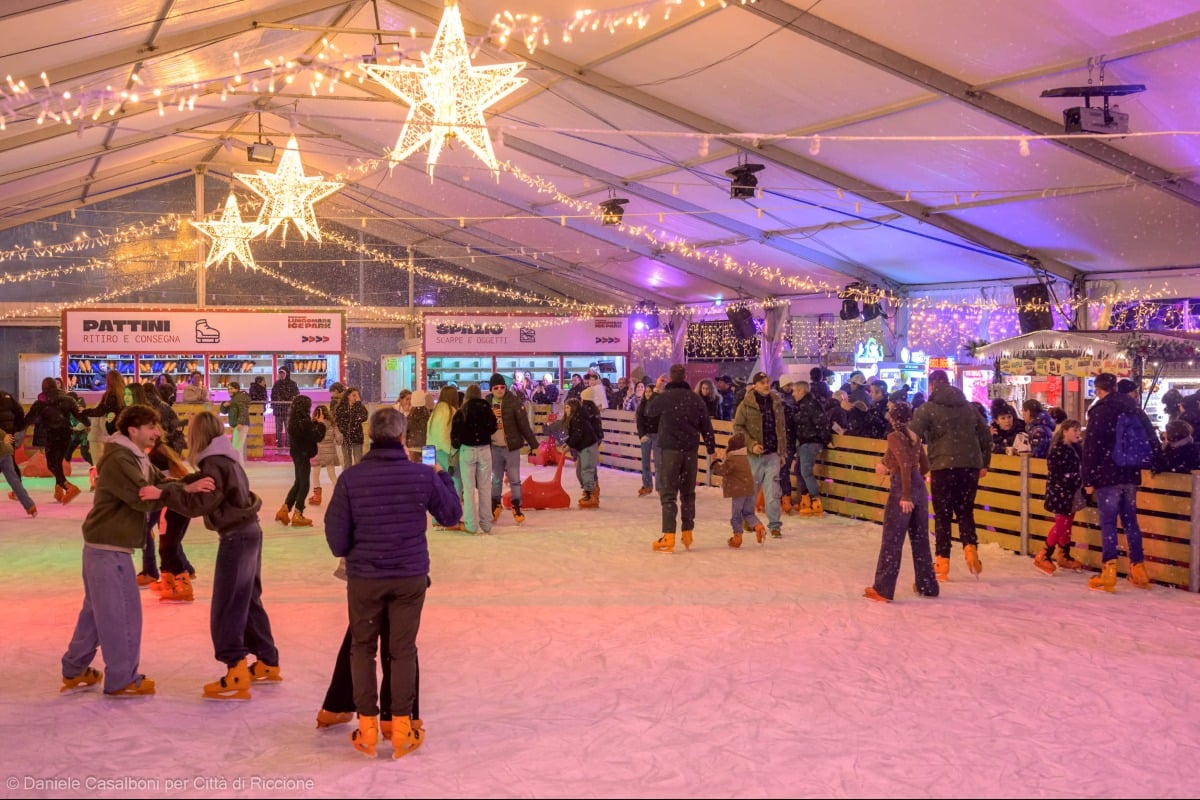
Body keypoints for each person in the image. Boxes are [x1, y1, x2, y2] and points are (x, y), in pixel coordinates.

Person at [324, 406, 462, 759]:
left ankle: (367, 725)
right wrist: (441, 476)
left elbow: (337, 540)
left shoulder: (351, 479)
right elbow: (451, 515)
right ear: (403, 438)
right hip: (408, 576)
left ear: (370, 436)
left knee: (363, 648)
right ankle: (401, 725)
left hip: (366, 578)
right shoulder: (421, 476)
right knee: (402, 651)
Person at [60, 404, 214, 697]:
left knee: (95, 614)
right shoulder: (120, 459)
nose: (158, 432)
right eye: (151, 427)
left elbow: (159, 484)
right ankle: (122, 678)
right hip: (107, 549)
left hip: (107, 547)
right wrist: (181, 492)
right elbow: (142, 498)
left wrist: (189, 484)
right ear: (133, 430)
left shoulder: (136, 457)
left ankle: (73, 669)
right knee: (123, 615)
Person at [147, 411, 279, 700]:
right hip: (250, 532)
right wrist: (171, 486)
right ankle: (268, 660)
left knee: (228, 602)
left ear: (198, 436)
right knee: (248, 598)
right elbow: (198, 485)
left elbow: (200, 504)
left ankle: (235, 668)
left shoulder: (214, 463)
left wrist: (164, 495)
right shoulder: (226, 457)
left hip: (237, 537)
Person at [910, 369, 993, 581]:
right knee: (965, 511)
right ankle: (970, 548)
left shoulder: (927, 409)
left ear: (931, 385)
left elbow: (913, 436)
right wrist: (984, 463)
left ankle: (942, 561)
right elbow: (985, 435)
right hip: (969, 467)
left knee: (943, 514)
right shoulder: (969, 408)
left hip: (942, 467)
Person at [1082, 372, 1160, 592]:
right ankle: (1139, 568)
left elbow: (1091, 448)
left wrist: (1087, 478)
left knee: (1108, 523)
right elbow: (1150, 436)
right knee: (1130, 521)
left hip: (1108, 475)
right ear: (1115, 387)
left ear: (1098, 390)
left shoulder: (1100, 411)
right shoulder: (1133, 407)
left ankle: (1109, 571)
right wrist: (1154, 461)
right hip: (1130, 473)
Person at [864, 402, 940, 603]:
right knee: (920, 539)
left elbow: (905, 464)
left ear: (892, 418)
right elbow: (923, 465)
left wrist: (905, 494)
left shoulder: (894, 437)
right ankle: (927, 585)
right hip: (919, 488)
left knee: (892, 540)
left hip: (902, 489)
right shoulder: (915, 436)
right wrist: (912, 481)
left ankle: (883, 588)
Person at [645, 364, 716, 553]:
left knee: (668, 494)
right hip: (690, 452)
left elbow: (649, 411)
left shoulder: (665, 398)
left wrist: (657, 389)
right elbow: (706, 425)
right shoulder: (695, 398)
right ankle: (687, 532)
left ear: (670, 376)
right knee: (688, 493)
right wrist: (711, 448)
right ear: (685, 377)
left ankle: (668, 535)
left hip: (670, 451)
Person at [733, 371, 788, 540]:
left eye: (767, 382)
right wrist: (751, 444)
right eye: (762, 382)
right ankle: (748, 519)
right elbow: (738, 427)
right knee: (752, 490)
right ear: (755, 385)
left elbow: (781, 429)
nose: (766, 385)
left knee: (773, 491)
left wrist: (782, 452)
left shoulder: (776, 403)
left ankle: (775, 525)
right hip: (754, 455)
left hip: (772, 454)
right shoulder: (746, 404)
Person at [488, 373, 540, 525]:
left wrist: (534, 445)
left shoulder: (513, 402)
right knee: (496, 479)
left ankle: (516, 505)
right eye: (496, 388)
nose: (499, 390)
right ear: (491, 389)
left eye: (502, 387)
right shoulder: (487, 403)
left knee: (514, 479)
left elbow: (524, 425)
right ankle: (495, 504)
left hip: (511, 448)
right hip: (494, 447)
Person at [1036, 419, 1085, 575]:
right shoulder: (1058, 450)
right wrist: (1079, 480)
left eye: (1079, 430)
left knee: (1067, 523)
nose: (1078, 433)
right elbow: (1058, 473)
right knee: (1061, 524)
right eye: (1074, 430)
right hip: (1060, 492)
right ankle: (1044, 554)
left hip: (1070, 493)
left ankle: (1063, 554)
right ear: (1065, 431)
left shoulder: (1076, 448)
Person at [25, 377, 82, 505]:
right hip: (64, 434)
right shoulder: (65, 400)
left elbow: (32, 419)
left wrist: (18, 427)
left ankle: (68, 487)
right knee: (56, 463)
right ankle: (59, 490)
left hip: (53, 434)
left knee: (53, 464)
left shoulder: (43, 402)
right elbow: (75, 414)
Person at [451, 384, 497, 534]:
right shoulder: (487, 409)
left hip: (467, 450)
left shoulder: (462, 411)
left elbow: (455, 435)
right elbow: (493, 428)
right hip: (484, 449)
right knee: (485, 487)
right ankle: (486, 523)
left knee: (468, 489)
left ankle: (471, 524)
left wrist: (459, 443)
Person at [276, 395, 323, 528]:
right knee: (304, 485)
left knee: (298, 483)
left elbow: (305, 434)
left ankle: (284, 509)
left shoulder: (293, 420)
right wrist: (319, 424)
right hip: (303, 455)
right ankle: (298, 513)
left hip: (297, 454)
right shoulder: (304, 421)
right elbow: (316, 437)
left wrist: (313, 423)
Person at [790, 380, 831, 516]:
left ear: (802, 391)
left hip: (810, 442)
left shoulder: (810, 404)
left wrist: (825, 439)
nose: (793, 394)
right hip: (804, 442)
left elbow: (821, 422)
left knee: (805, 472)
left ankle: (815, 501)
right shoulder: (802, 404)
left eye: (795, 391)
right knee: (799, 470)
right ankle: (806, 498)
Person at [713, 432, 760, 548]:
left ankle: (737, 537)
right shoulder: (744, 457)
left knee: (736, 515)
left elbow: (722, 470)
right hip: (749, 489)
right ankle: (759, 527)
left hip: (739, 491)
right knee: (748, 513)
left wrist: (714, 462)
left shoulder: (733, 458)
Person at [1, 388, 35, 517]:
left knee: (13, 476)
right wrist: (16, 428)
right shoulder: (7, 396)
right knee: (13, 478)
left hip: (3, 442)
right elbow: (20, 411)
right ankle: (30, 505)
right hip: (7, 446)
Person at [565, 397, 603, 508]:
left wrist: (569, 445)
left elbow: (578, 434)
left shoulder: (579, 418)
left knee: (587, 470)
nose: (565, 410)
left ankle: (591, 496)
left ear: (573, 408)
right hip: (583, 447)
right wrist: (567, 443)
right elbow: (574, 435)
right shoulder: (575, 418)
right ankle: (588, 492)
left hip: (588, 446)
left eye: (567, 407)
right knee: (579, 472)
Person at [426, 386, 461, 497]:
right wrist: (453, 451)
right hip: (444, 451)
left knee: (436, 484)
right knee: (455, 481)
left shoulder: (435, 411)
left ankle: (438, 511)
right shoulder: (452, 411)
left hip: (429, 451)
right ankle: (452, 506)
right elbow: (445, 434)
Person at [309, 404, 339, 507]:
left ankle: (317, 497)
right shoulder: (332, 424)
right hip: (330, 452)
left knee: (315, 474)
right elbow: (339, 439)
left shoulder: (313, 424)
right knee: (332, 474)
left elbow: (311, 438)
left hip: (317, 451)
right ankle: (340, 496)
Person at [635, 379, 659, 497]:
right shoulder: (642, 406)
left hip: (657, 436)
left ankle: (660, 487)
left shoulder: (657, 406)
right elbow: (639, 421)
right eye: (646, 392)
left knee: (658, 462)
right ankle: (647, 485)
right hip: (646, 436)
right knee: (645, 462)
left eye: (650, 392)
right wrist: (642, 435)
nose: (648, 394)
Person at [335, 386, 369, 469]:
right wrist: (345, 432)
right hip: (346, 439)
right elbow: (339, 422)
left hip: (357, 438)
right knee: (347, 463)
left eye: (357, 395)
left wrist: (358, 404)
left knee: (358, 461)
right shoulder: (341, 408)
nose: (356, 397)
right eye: (354, 395)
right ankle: (348, 479)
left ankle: (358, 479)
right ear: (348, 396)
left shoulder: (359, 406)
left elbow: (363, 417)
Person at [218, 381, 251, 464]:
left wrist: (240, 423)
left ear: (237, 389)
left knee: (236, 449)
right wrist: (224, 405)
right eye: (228, 389)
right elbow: (224, 411)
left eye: (231, 388)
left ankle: (238, 469)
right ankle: (238, 469)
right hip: (237, 425)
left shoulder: (239, 398)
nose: (229, 390)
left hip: (240, 426)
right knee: (236, 448)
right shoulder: (234, 399)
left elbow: (243, 411)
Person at [270, 367, 299, 451]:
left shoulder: (292, 384)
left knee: (288, 429)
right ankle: (279, 446)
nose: (281, 375)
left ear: (287, 374)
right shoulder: (276, 384)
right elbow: (273, 396)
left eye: (283, 373)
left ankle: (288, 445)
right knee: (278, 430)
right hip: (279, 411)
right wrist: (275, 404)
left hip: (288, 411)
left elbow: (296, 395)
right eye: (280, 373)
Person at [404, 390, 431, 464]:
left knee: (415, 473)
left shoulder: (409, 417)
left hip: (413, 448)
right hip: (428, 448)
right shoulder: (429, 415)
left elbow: (405, 433)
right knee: (428, 471)